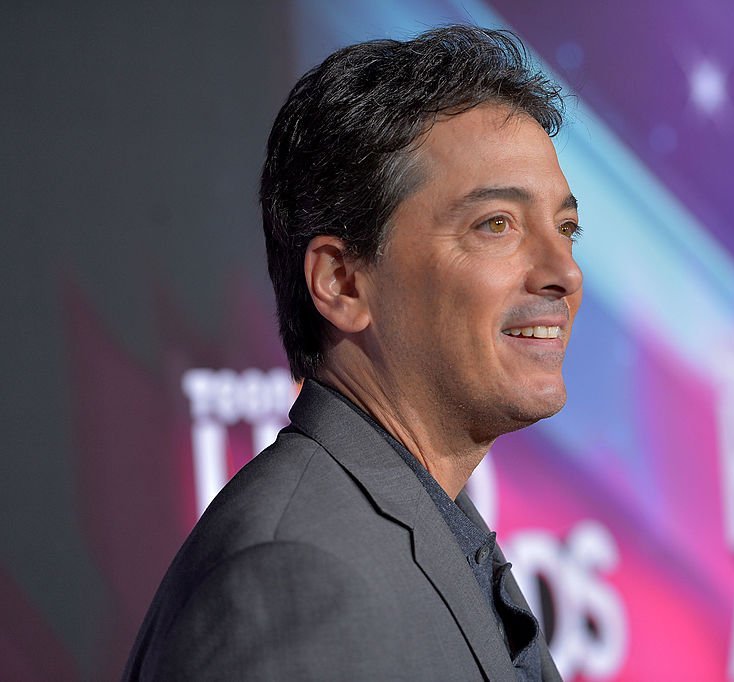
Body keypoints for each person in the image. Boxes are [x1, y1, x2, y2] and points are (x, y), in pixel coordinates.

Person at [123, 25, 582, 681]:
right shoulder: (295, 582)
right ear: (342, 283)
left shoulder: (431, 531)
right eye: (495, 225)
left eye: (566, 228)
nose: (561, 270)